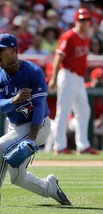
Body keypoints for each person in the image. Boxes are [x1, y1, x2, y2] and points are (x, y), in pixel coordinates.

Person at [0, 33, 71, 206]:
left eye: (1, 50)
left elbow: (40, 107)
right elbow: (2, 107)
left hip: (38, 125)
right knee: (18, 178)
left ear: (14, 50)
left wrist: (32, 137)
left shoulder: (33, 72)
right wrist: (15, 99)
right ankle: (49, 188)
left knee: (1, 145)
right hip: (15, 126)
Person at [48, 8, 100, 155]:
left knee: (84, 110)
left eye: (87, 20)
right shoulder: (69, 36)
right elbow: (59, 57)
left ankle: (83, 146)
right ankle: (59, 146)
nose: (85, 22)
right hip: (67, 75)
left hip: (78, 78)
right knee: (63, 111)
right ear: (76, 20)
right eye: (82, 20)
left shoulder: (86, 38)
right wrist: (53, 78)